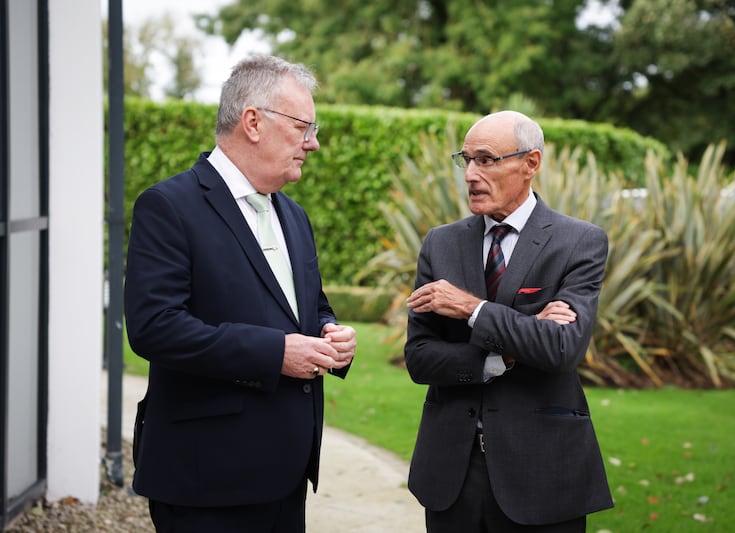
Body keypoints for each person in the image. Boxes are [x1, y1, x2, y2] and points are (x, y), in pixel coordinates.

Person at [124, 55, 356, 533]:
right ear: (253, 122)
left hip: (287, 476)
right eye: (304, 126)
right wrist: (276, 354)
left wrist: (330, 335)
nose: (312, 143)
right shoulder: (168, 206)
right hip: (206, 479)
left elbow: (308, 307)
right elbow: (154, 327)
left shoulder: (294, 215)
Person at [404, 111, 613, 532]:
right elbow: (420, 358)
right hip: (451, 477)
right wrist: (516, 345)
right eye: (465, 160)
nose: (470, 174)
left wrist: (470, 309)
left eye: (486, 159)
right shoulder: (440, 243)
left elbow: (561, 349)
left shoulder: (579, 242)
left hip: (542, 475)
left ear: (531, 163)